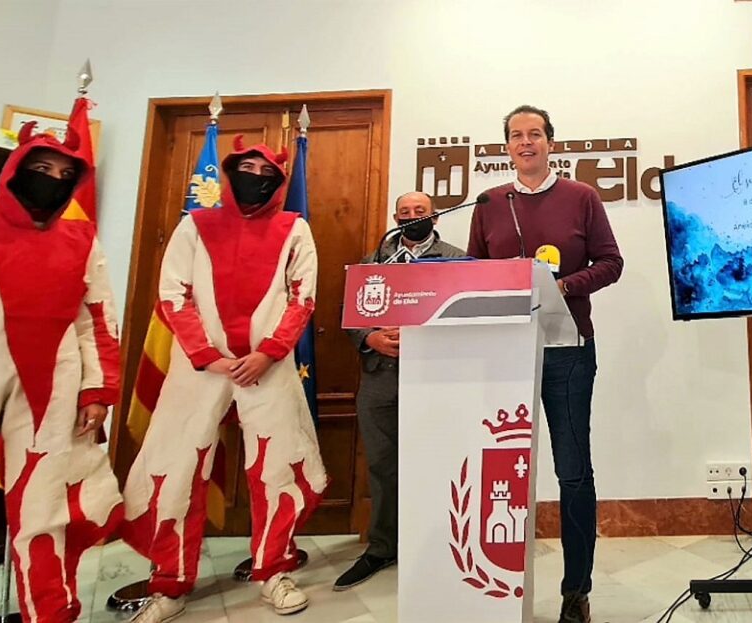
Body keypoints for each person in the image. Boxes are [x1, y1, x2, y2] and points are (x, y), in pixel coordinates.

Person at [122, 137, 327, 622]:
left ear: (279, 182)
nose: (255, 177)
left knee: (278, 465)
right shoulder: (194, 225)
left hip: (267, 366)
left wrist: (269, 352)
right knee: (174, 467)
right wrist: (207, 355)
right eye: (247, 168)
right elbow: (173, 294)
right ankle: (169, 582)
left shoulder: (294, 228)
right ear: (231, 172)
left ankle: (274, 570)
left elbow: (302, 298)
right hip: (199, 368)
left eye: (266, 172)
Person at [467, 105, 624, 623]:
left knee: (572, 471)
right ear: (507, 147)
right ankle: (494, 586)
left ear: (550, 143)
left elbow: (611, 262)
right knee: (499, 467)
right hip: (504, 351)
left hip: (567, 351)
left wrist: (562, 286)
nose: (526, 142)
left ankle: (576, 591)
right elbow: (472, 272)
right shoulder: (489, 203)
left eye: (535, 133)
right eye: (516, 135)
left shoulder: (582, 196)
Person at [0, 123, 123, 623]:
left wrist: (97, 389)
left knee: (45, 508)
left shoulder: (80, 239)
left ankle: (50, 615)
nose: (52, 180)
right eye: (42, 168)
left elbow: (96, 320)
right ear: (16, 170)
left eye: (64, 175)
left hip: (54, 380)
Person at [334, 191, 466, 590]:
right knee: (382, 464)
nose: (412, 217)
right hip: (380, 377)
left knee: (438, 463)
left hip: (433, 378)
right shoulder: (373, 261)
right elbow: (349, 313)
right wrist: (369, 338)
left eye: (420, 212)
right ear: (395, 219)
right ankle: (382, 547)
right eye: (405, 213)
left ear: (435, 217)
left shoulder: (457, 260)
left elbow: (465, 316)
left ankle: (440, 547)